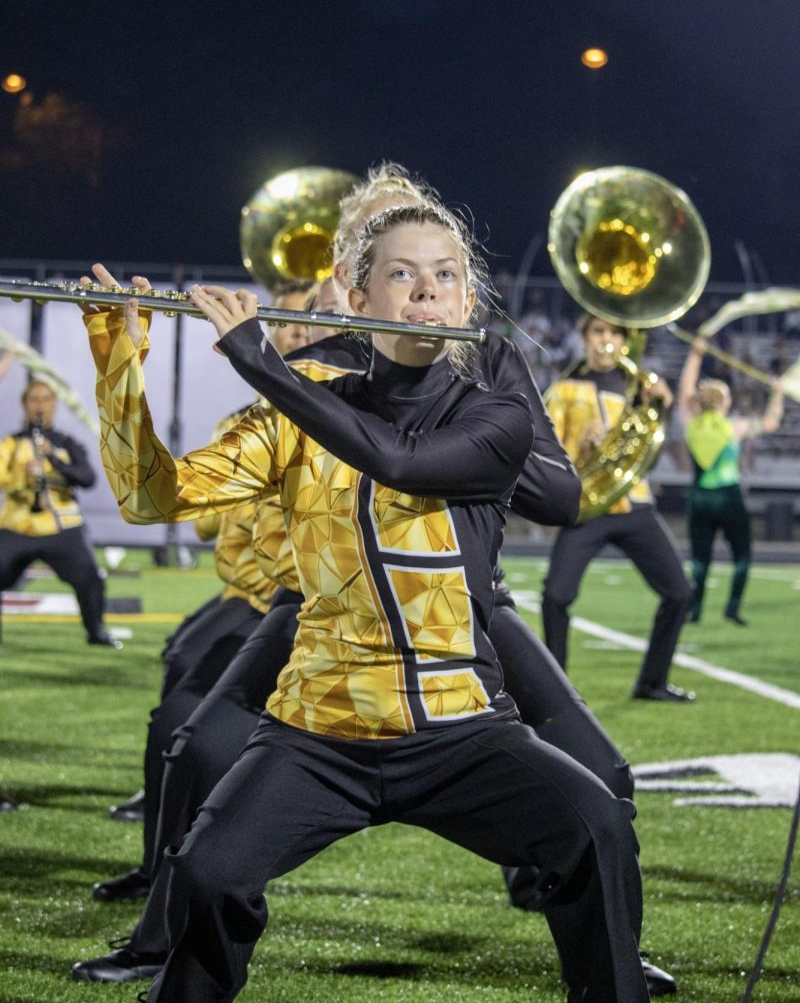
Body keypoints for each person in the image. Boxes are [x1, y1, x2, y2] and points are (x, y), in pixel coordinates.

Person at [82, 202, 650, 1003]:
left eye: (444, 276)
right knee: (206, 874)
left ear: (466, 301)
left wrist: (262, 364)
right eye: (402, 275)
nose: (426, 292)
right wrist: (117, 359)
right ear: (356, 297)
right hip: (318, 732)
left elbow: (400, 460)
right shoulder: (299, 404)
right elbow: (150, 496)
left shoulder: (496, 413)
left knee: (596, 830)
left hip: (461, 727)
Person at [93, 283, 312, 898]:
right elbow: (176, 505)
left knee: (194, 736)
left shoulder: (345, 415)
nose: (294, 332)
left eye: (308, 319)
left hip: (303, 613)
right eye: (285, 322)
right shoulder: (252, 423)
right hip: (251, 601)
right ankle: (161, 862)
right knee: (179, 695)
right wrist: (117, 355)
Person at [541, 313, 695, 702]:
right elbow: (545, 453)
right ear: (584, 337)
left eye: (613, 332)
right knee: (556, 597)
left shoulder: (637, 387)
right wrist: (580, 449)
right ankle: (558, 690)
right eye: (597, 331)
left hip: (634, 506)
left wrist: (664, 408)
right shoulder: (564, 390)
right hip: (587, 508)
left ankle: (652, 683)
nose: (605, 340)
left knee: (679, 593)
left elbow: (648, 454)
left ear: (625, 340)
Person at [0, 378, 118, 646]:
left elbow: (87, 478)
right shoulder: (10, 444)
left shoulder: (66, 444)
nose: (40, 405)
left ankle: (96, 632)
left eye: (45, 399)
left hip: (62, 527)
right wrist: (24, 476)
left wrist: (52, 458)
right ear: (25, 405)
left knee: (89, 577)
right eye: (34, 399)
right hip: (18, 525)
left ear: (54, 405)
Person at [677, 337, 785, 625]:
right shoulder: (734, 427)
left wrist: (696, 355)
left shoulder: (691, 423)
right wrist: (777, 393)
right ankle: (732, 608)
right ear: (724, 402)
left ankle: (695, 610)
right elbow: (771, 423)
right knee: (742, 555)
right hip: (729, 497)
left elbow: (685, 389)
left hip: (699, 497)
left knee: (700, 559)